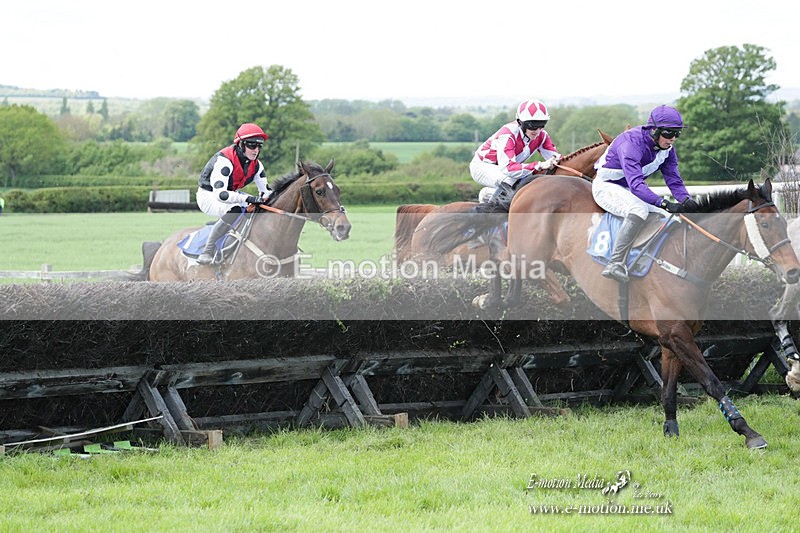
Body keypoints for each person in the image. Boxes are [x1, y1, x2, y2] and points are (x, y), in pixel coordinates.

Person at [592, 104, 699, 283]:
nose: (673, 139)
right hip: (606, 186)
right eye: (668, 133)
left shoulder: (667, 150)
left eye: (677, 134)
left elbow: (674, 180)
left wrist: (686, 201)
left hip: (628, 189)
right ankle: (615, 262)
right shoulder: (630, 144)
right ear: (654, 130)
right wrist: (664, 202)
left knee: (667, 216)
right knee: (639, 209)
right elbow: (636, 185)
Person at [195, 123, 270, 265]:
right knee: (234, 209)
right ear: (241, 144)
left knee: (259, 208)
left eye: (259, 146)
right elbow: (221, 194)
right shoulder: (225, 160)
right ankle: (207, 250)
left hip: (231, 194)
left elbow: (266, 192)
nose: (256, 150)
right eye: (252, 145)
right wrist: (249, 198)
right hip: (209, 196)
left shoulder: (257, 165)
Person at [470, 98, 561, 203]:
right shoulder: (508, 134)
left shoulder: (542, 136)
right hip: (482, 166)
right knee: (511, 179)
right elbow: (509, 169)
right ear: (520, 122)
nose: (537, 131)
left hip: (503, 168)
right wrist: (539, 165)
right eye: (533, 125)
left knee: (532, 179)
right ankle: (491, 213)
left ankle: (488, 194)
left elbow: (557, 159)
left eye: (541, 125)